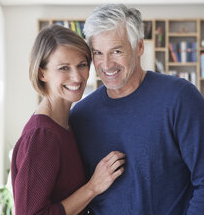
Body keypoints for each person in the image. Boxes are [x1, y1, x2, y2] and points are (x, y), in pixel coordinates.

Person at [69, 4, 204, 214]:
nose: (106, 65)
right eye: (98, 53)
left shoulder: (180, 98)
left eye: (116, 51)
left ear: (139, 47)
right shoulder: (81, 115)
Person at [11, 25, 125, 215]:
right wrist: (93, 187)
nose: (77, 77)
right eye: (64, 68)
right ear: (42, 73)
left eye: (81, 65)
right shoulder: (42, 135)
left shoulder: (67, 125)